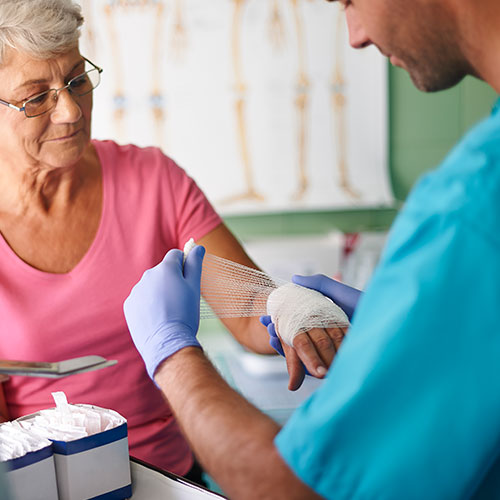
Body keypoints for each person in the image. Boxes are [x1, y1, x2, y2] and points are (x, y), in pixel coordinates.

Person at [123, 0, 500, 497]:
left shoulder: (469, 208)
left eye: (348, 1)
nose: (355, 36)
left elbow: (284, 489)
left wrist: (170, 352)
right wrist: (404, 331)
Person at [0, 0, 341, 485]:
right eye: (36, 97)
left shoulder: (151, 179)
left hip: (173, 479)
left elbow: (247, 307)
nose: (71, 110)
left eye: (77, 79)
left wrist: (295, 311)